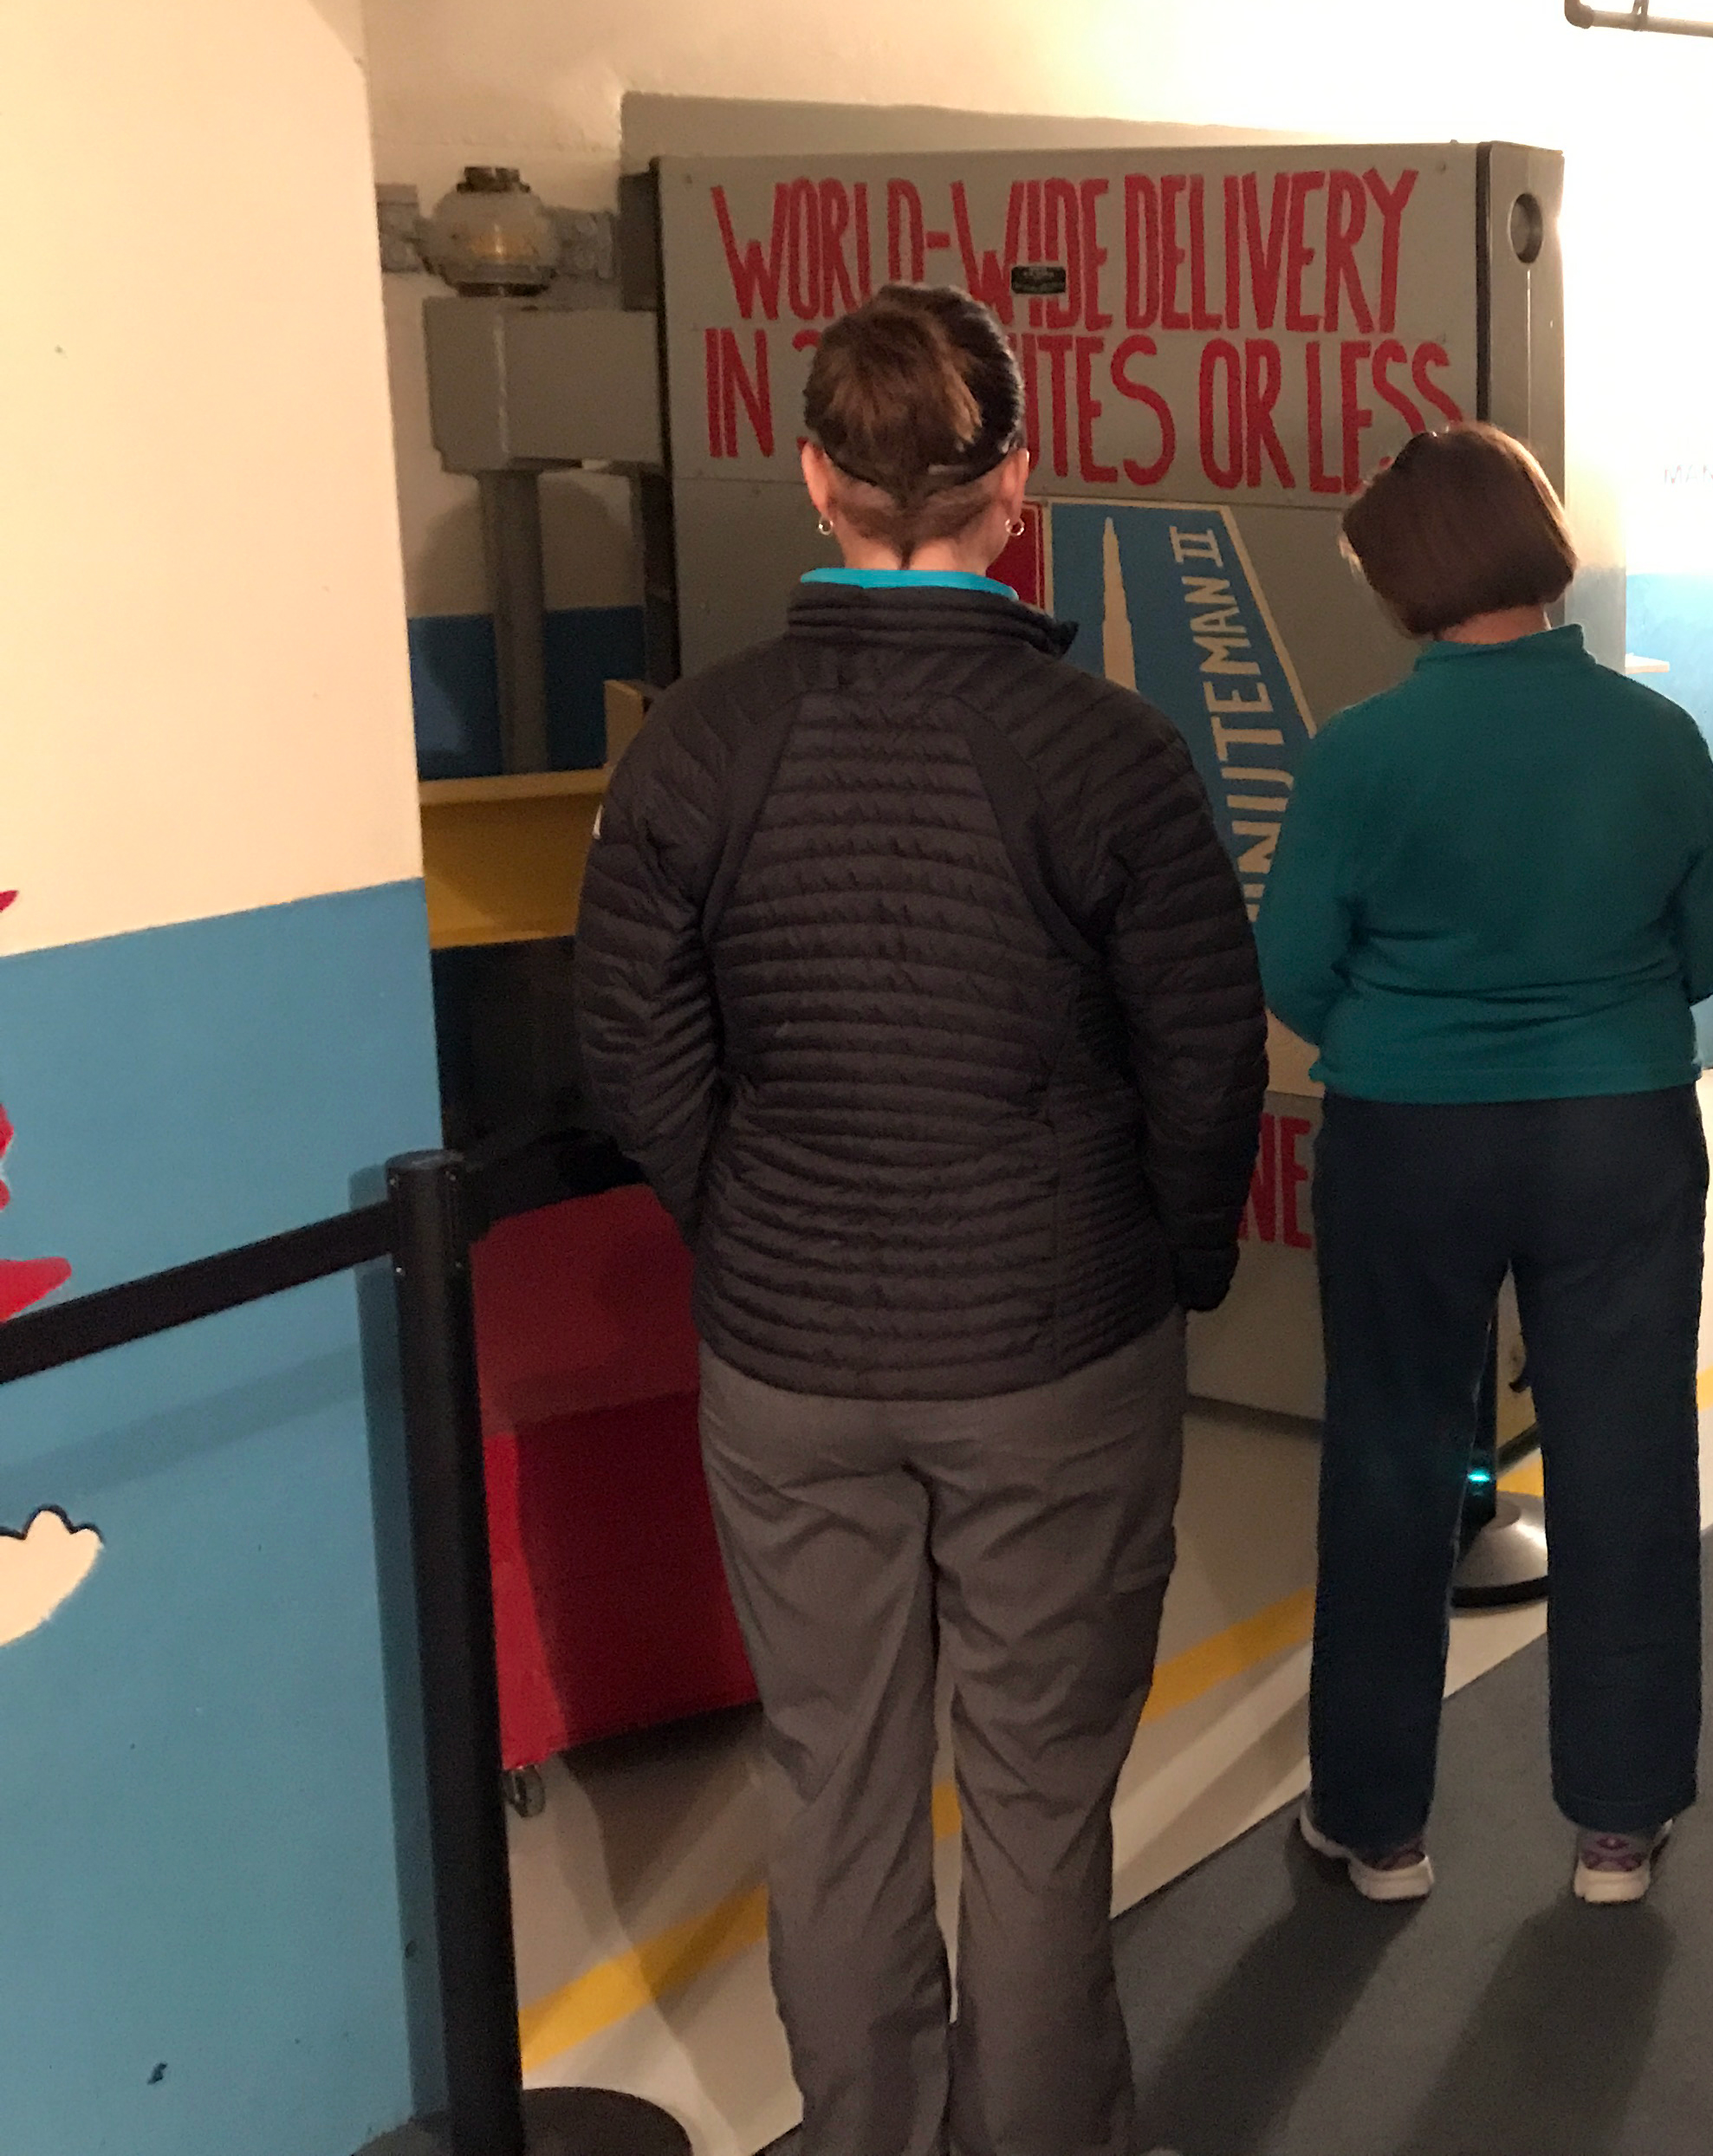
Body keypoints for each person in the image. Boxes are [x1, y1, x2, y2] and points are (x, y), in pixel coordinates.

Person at [573, 284, 1265, 2156]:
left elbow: (633, 1052)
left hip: (790, 1358)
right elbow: (1206, 1063)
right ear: (1015, 484)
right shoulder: (1106, 752)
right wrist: (1172, 1258)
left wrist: (758, 1217)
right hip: (1057, 1345)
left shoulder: (698, 749)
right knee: (1039, 1800)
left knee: (834, 1778)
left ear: (813, 477)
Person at [1256, 422, 1713, 1909]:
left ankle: (1376, 1827)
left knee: (1392, 1460)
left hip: (1409, 1140)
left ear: (1402, 581)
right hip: (1623, 1131)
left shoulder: (1360, 753)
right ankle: (1617, 1824)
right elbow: (1704, 957)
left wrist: (1413, 1035)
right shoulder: (1659, 737)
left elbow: (1293, 970)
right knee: (1629, 1458)